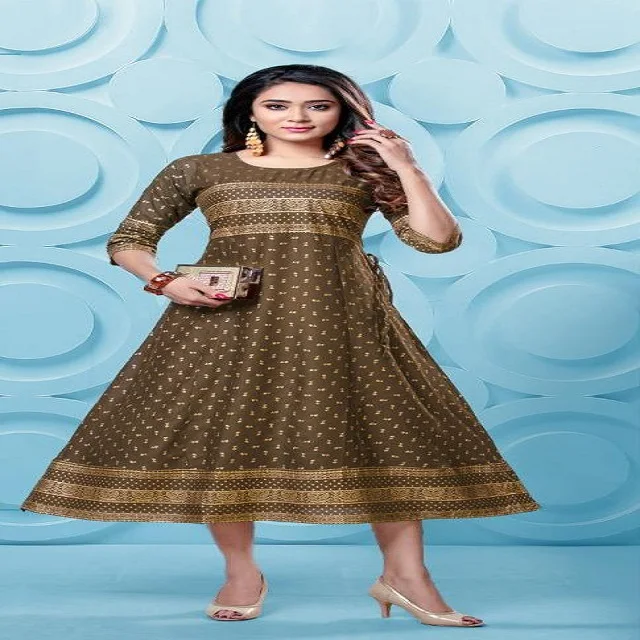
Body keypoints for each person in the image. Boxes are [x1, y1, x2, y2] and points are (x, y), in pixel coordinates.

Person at [21, 64, 540, 626]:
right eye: (277, 105)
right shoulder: (200, 169)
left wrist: (407, 168)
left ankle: (406, 576)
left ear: (343, 112)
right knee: (223, 442)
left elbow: (437, 242)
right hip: (224, 326)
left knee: (385, 440)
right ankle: (242, 573)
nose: (297, 117)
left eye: (318, 105)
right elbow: (129, 240)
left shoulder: (359, 171)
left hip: (343, 325)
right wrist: (166, 281)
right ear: (250, 112)